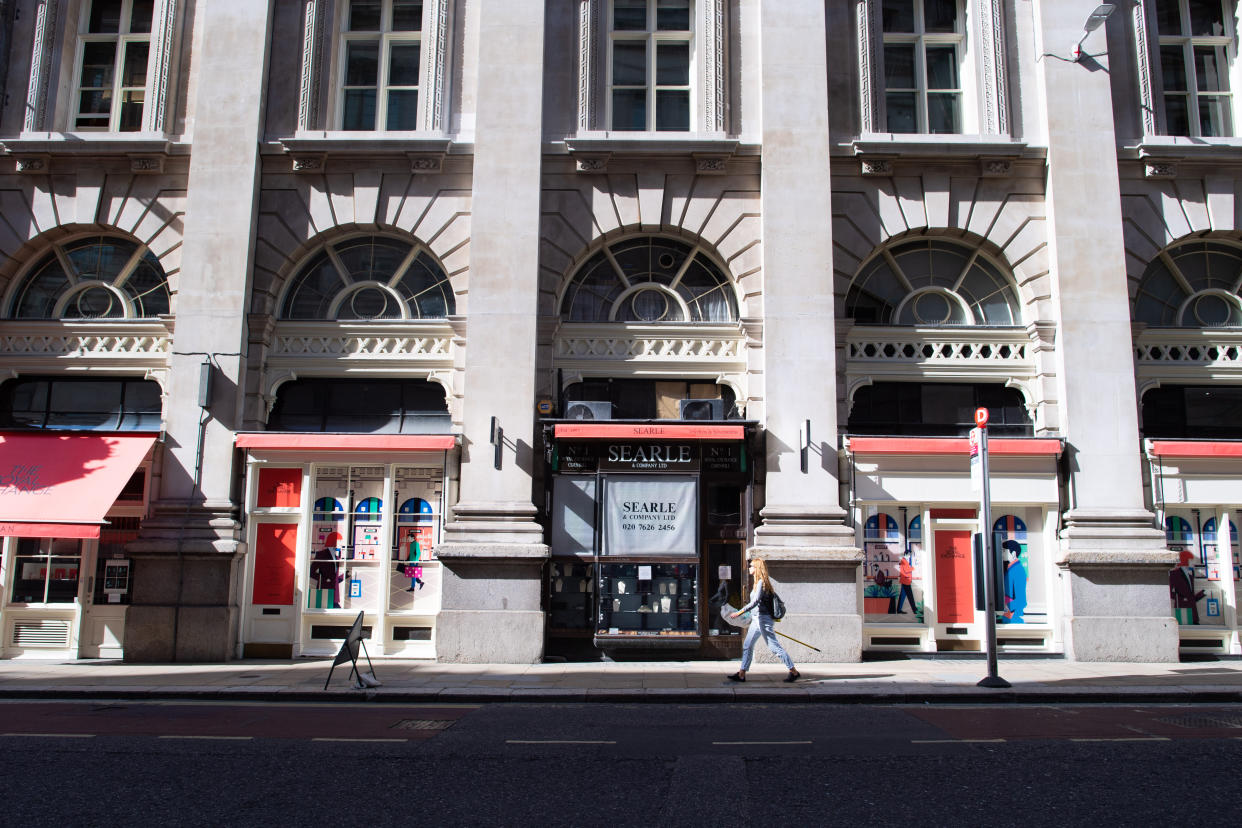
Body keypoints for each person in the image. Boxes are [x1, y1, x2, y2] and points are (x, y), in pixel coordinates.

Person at [726, 557, 800, 683]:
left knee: (774, 647)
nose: (749, 568)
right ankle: (741, 674)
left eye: (751, 566)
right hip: (756, 619)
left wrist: (739, 612)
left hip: (763, 619)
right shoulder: (757, 583)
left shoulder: (761, 582)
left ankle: (793, 671)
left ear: (757, 569)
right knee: (747, 645)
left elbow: (755, 602)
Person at [896, 550, 916, 614]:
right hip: (906, 581)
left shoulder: (904, 561)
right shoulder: (904, 561)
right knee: (910, 596)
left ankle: (899, 610)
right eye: (909, 555)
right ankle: (915, 610)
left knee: (902, 596)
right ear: (906, 554)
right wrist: (912, 568)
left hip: (905, 580)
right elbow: (906, 570)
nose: (910, 556)